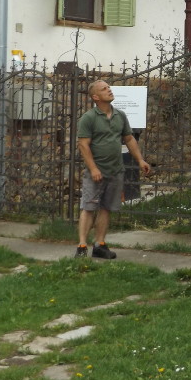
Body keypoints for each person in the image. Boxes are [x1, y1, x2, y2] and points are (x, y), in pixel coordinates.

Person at [75, 80, 151, 258]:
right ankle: (82, 246)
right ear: (95, 97)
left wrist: (140, 160)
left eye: (109, 87)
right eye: (104, 89)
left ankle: (99, 245)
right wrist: (93, 168)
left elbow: (129, 139)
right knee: (89, 207)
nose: (109, 90)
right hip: (96, 172)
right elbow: (83, 145)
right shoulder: (89, 118)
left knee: (106, 208)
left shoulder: (120, 115)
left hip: (116, 170)